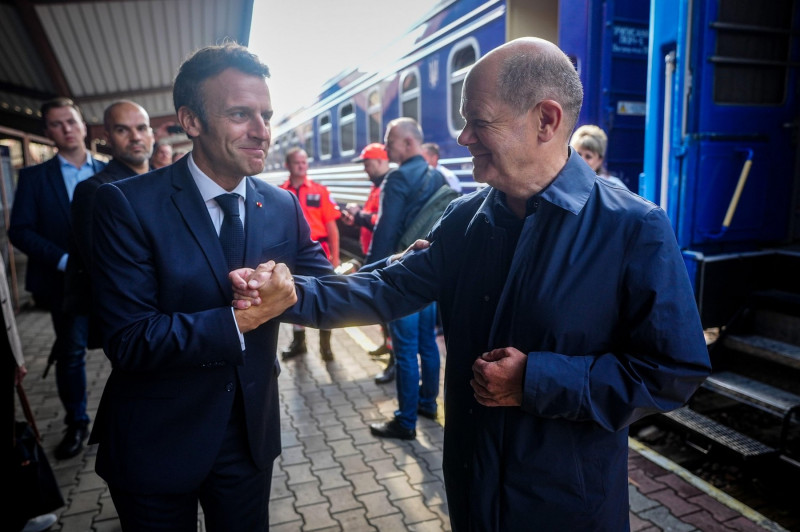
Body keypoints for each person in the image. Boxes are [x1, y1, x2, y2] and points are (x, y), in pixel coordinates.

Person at [236, 37, 711, 530]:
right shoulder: (465, 220)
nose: (463, 138)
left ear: (545, 120)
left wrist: (537, 381)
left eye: (478, 121)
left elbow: (673, 370)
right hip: (473, 495)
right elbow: (384, 288)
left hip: (566, 509)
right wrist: (285, 296)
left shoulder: (632, 228)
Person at [88, 42, 329, 530]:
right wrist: (246, 318)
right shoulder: (124, 205)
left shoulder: (281, 204)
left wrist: (407, 268)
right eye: (241, 114)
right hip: (157, 442)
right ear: (191, 122)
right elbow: (130, 340)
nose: (262, 131)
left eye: (266, 114)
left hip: (247, 438)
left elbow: (322, 288)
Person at [8, 97, 106, 460]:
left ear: (83, 125)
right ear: (47, 132)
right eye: (56, 124)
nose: (66, 129)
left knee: (128, 345)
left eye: (71, 121)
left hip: (112, 282)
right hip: (65, 284)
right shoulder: (34, 178)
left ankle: (136, 415)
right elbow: (19, 231)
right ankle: (77, 422)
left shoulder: (109, 170)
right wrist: (63, 260)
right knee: (71, 354)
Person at [361, 117, 445, 439]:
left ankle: (405, 421)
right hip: (430, 274)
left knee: (406, 349)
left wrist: (370, 275)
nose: (386, 147)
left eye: (389, 141)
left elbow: (385, 232)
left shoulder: (396, 179)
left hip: (403, 277)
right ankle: (427, 403)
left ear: (408, 143)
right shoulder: (436, 176)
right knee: (428, 344)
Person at [63, 100, 154, 351]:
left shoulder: (169, 180)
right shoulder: (96, 191)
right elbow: (101, 264)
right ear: (108, 137)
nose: (135, 136)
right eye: (123, 129)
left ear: (152, 134)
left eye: (142, 127)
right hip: (136, 317)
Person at [278, 147, 340, 361]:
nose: (302, 166)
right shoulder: (280, 193)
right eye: (297, 162)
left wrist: (335, 256)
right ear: (288, 165)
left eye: (304, 162)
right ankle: (299, 342)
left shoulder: (319, 191)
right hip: (291, 254)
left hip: (319, 252)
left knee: (327, 297)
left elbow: (331, 226)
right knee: (292, 296)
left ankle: (326, 344)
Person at [341, 143, 395, 383]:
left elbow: (381, 221)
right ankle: (386, 345)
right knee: (383, 311)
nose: (365, 169)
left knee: (391, 312)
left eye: (367, 163)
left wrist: (360, 215)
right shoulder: (376, 187)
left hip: (384, 258)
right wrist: (356, 218)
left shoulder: (388, 186)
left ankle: (394, 362)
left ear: (381, 161)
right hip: (372, 253)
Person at [570, 124, 628, 188]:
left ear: (599, 160)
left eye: (588, 156)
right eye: (578, 154)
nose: (581, 160)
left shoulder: (614, 187)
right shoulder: (563, 182)